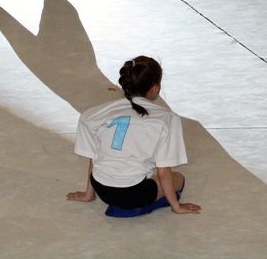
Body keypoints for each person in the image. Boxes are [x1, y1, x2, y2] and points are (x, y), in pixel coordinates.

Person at [67, 56, 201, 216]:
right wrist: (176, 206)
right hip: (134, 194)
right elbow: (164, 172)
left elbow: (93, 149)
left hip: (101, 187)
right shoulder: (167, 119)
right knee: (178, 179)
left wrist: (88, 193)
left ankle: (91, 194)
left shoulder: (104, 111)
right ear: (155, 88)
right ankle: (141, 207)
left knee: (99, 146)